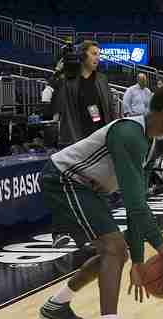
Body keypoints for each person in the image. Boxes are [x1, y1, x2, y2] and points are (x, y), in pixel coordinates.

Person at [39, 87, 163, 319]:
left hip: (88, 187)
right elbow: (134, 207)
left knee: (115, 253)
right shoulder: (129, 133)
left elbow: (139, 207)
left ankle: (58, 304)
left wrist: (140, 262)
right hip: (64, 180)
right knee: (114, 248)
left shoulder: (150, 141)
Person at [50, 40, 117, 248]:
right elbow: (54, 104)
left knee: (98, 188)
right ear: (83, 57)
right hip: (75, 139)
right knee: (69, 188)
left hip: (99, 139)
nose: (98, 58)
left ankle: (97, 231)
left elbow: (109, 110)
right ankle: (59, 232)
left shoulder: (102, 80)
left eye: (99, 54)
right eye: (94, 54)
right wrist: (57, 74)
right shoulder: (69, 81)